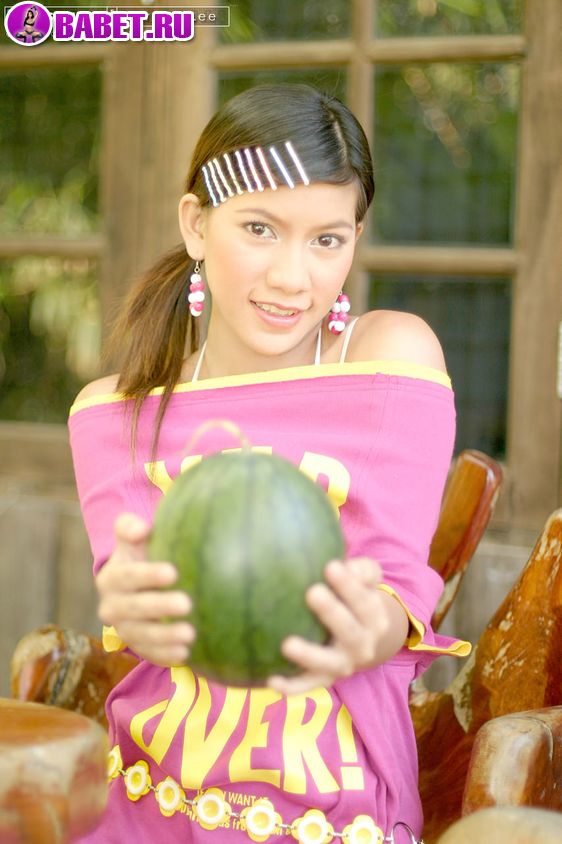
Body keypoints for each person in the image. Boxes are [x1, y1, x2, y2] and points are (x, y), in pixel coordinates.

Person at [68, 83, 470, 844]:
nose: (294, 277)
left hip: (330, 807)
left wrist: (365, 633)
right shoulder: (115, 415)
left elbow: (396, 584)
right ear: (196, 223)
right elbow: (143, 614)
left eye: (328, 240)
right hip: (142, 796)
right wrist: (132, 610)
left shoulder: (388, 361)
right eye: (260, 228)